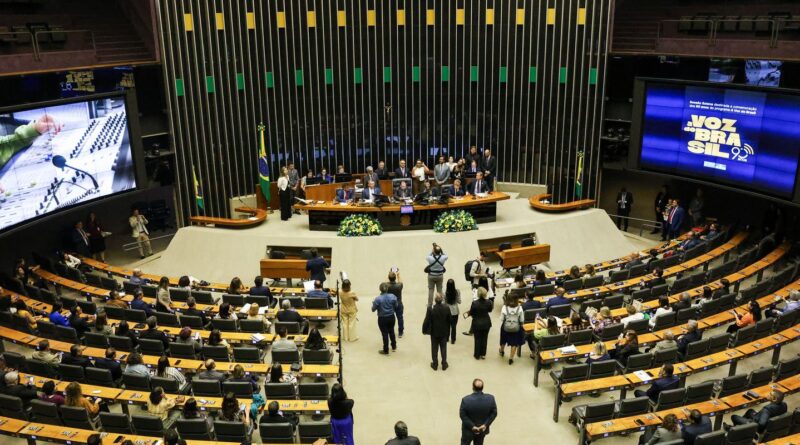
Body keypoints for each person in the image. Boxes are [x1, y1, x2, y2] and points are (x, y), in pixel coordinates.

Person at [459, 378, 497, 445]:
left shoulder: (465, 400)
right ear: (482, 388)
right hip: (482, 430)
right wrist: (485, 424)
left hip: (468, 430)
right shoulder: (491, 398)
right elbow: (494, 413)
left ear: (473, 387)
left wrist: (472, 426)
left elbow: (463, 415)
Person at [424, 293, 452, 371]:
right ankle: (444, 364)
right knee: (443, 348)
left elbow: (427, 320)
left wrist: (424, 329)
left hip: (434, 332)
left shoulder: (430, 308)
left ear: (435, 300)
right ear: (442, 300)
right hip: (444, 332)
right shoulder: (446, 308)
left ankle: (435, 364)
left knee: (434, 348)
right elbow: (450, 320)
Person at [465, 287, 493, 360]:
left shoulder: (474, 303)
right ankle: (483, 354)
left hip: (477, 323)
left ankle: (477, 355)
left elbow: (471, 313)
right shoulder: (489, 302)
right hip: (486, 322)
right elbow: (490, 310)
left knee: (477, 339)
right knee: (484, 338)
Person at [373, 282, 398, 355]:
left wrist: (374, 304)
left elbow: (373, 309)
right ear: (387, 289)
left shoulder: (378, 299)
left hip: (382, 319)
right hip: (391, 317)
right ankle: (394, 346)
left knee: (384, 333)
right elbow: (396, 305)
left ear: (380, 290)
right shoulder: (393, 296)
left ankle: (386, 350)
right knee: (392, 331)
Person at [499, 294, 524, 365]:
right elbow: (522, 320)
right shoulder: (520, 308)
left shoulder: (504, 307)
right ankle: (511, 358)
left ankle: (501, 351)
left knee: (503, 340)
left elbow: (501, 319)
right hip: (516, 328)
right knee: (514, 343)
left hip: (505, 327)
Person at [386, 270, 405, 337]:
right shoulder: (399, 286)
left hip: (390, 304)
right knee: (400, 317)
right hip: (398, 303)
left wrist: (389, 274)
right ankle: (400, 332)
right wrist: (398, 275)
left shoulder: (387, 286)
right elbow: (401, 282)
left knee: (390, 318)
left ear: (389, 278)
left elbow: (384, 283)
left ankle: (390, 331)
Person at [445, 279, 462, 344]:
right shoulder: (457, 291)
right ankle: (453, 339)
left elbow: (444, 303)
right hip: (455, 312)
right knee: (454, 326)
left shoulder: (445, 293)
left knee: (447, 325)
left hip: (447, 311)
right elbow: (459, 301)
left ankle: (446, 338)